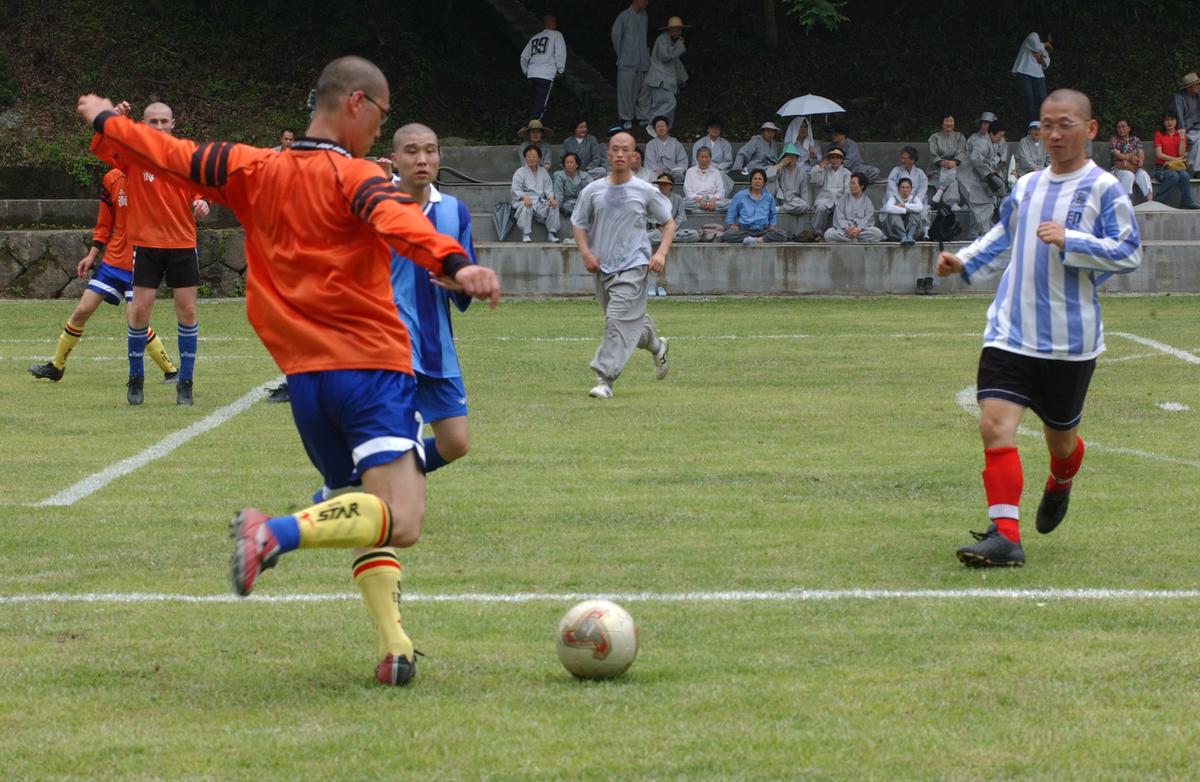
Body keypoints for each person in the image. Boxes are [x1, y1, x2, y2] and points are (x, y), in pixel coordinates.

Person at [77, 57, 500, 685]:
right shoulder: (355, 175)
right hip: (371, 368)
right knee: (403, 518)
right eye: (381, 117)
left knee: (359, 507)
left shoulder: (252, 167)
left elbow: (170, 153)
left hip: (306, 383)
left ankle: (395, 648)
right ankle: (271, 532)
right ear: (356, 103)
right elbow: (399, 218)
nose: (378, 134)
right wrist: (455, 261)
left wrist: (108, 120)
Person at [936, 89, 1140, 568]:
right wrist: (961, 262)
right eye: (1047, 124)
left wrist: (1073, 239)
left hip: (1070, 341)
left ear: (1089, 130)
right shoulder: (1026, 186)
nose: (1053, 133)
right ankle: (1004, 534)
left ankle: (1062, 477)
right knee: (995, 425)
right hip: (1010, 329)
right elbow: (1003, 237)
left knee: (1060, 441)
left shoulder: (1106, 188)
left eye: (1065, 123)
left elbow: (1129, 252)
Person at [90, 101, 209, 406]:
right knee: (139, 312)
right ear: (143, 125)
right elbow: (100, 148)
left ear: (173, 123)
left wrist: (202, 204)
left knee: (187, 311)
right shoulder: (134, 154)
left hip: (182, 245)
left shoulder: (187, 156)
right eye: (152, 121)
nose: (158, 127)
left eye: (163, 121)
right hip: (145, 247)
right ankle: (136, 378)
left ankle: (185, 383)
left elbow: (201, 192)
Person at [385, 123, 479, 476]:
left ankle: (358, 479)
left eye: (430, 150)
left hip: (437, 347)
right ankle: (380, 501)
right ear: (394, 159)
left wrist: (463, 284)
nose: (422, 159)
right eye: (411, 151)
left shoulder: (455, 212)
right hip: (388, 347)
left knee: (455, 443)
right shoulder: (375, 207)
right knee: (399, 440)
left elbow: (466, 277)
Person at [28, 167, 179, 384]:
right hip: (113, 261)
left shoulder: (151, 175)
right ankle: (56, 366)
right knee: (81, 310)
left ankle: (171, 371)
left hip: (141, 261)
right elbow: (104, 223)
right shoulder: (111, 178)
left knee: (134, 319)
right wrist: (91, 255)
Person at [571, 131, 673, 399]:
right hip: (603, 268)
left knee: (616, 320)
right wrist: (585, 253)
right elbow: (578, 224)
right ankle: (656, 345)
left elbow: (668, 223)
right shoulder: (592, 190)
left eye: (625, 149)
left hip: (634, 265)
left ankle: (605, 379)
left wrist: (660, 253)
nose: (619, 154)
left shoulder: (645, 190)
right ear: (608, 154)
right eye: (614, 149)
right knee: (626, 324)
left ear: (633, 156)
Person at [647, 173, 696, 296]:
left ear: (671, 186)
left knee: (693, 234)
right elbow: (648, 216)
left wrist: (670, 229)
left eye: (665, 184)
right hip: (655, 231)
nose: (662, 187)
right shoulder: (652, 198)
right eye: (660, 184)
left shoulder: (677, 198)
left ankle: (667, 238)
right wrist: (659, 226)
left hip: (673, 231)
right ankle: (652, 284)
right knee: (653, 236)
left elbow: (681, 216)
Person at [611, 0, 651, 129]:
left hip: (643, 60)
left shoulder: (645, 16)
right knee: (626, 91)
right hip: (627, 61)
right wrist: (622, 54)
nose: (646, 2)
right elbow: (615, 35)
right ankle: (625, 118)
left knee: (644, 89)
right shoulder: (624, 16)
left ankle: (642, 116)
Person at [643, 16, 688, 130]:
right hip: (659, 80)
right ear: (670, 29)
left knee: (664, 104)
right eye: (677, 29)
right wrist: (679, 45)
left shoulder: (670, 41)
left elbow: (676, 65)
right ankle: (653, 124)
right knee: (669, 103)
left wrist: (681, 79)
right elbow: (665, 56)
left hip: (665, 81)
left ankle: (663, 130)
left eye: (680, 29)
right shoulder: (662, 39)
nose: (679, 32)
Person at [520, 15, 567, 121]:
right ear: (553, 23)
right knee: (541, 105)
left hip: (532, 74)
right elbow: (560, 53)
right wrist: (560, 70)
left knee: (534, 102)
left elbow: (523, 56)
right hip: (545, 74)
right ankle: (534, 127)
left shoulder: (535, 37)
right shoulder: (557, 35)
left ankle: (535, 125)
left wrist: (526, 71)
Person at [512, 144, 561, 242]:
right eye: (529, 156)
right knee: (526, 206)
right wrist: (524, 197)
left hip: (540, 202)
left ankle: (551, 234)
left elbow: (548, 189)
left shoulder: (543, 171)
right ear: (525, 158)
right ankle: (525, 234)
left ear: (538, 158)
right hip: (524, 200)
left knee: (554, 206)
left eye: (534, 156)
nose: (531, 159)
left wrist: (551, 198)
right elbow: (516, 189)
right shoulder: (520, 172)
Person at [723, 169, 787, 243]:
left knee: (782, 235)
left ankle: (756, 240)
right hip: (744, 230)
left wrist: (772, 225)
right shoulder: (740, 195)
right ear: (751, 181)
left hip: (763, 230)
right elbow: (731, 213)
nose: (757, 181)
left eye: (760, 179)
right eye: (755, 178)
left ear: (764, 182)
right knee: (728, 235)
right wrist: (732, 225)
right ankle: (750, 239)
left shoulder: (768, 197)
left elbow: (772, 215)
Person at [1153, 111, 1199, 209]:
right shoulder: (1159, 134)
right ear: (1163, 122)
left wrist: (1182, 138)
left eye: (1172, 120)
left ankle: (1187, 202)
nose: (1169, 123)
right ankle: (1157, 201)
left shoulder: (1180, 135)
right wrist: (1176, 159)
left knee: (1185, 175)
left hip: (1177, 167)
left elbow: (1182, 154)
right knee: (1173, 176)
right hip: (1161, 168)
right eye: (1167, 120)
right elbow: (1159, 155)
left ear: (1176, 121)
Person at [823, 172, 883, 243]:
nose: (851, 186)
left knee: (877, 233)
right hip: (845, 231)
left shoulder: (867, 201)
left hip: (860, 231)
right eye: (850, 183)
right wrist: (847, 229)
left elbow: (867, 218)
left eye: (853, 183)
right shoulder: (843, 199)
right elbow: (839, 217)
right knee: (828, 234)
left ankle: (849, 239)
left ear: (861, 186)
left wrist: (858, 229)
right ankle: (853, 239)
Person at [1012, 32, 1052, 127]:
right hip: (1024, 71)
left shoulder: (1044, 50)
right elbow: (1036, 46)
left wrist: (1040, 58)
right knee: (1029, 98)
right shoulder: (1033, 36)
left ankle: (1044, 124)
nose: (1050, 41)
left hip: (1038, 75)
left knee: (1042, 98)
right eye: (1049, 39)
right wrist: (1045, 45)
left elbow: (1046, 63)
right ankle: (1030, 126)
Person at [928, 113, 967, 207]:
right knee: (952, 179)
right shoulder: (934, 137)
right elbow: (932, 153)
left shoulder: (959, 137)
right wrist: (941, 162)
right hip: (938, 168)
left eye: (951, 121)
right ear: (942, 123)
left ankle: (941, 192)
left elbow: (962, 152)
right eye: (946, 121)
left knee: (954, 176)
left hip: (956, 167)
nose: (949, 123)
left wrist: (954, 162)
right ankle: (953, 203)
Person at [1109, 118, 1153, 202]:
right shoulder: (1114, 140)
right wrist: (1129, 157)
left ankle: (1150, 201)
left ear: (1129, 128)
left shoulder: (1136, 140)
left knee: (1143, 174)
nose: (1121, 129)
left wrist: (1140, 160)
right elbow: (1116, 154)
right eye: (1119, 127)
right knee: (1129, 175)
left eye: (1123, 127)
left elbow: (1140, 152)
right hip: (1119, 169)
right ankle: (1125, 202)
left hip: (1134, 167)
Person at [809, 147, 850, 233]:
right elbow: (817, 181)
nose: (835, 160)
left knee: (841, 210)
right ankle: (817, 233)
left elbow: (847, 190)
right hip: (824, 199)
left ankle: (839, 233)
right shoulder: (823, 169)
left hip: (840, 200)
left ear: (841, 160)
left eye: (837, 157)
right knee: (820, 208)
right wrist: (821, 167)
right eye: (832, 157)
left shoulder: (846, 172)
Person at [880, 176, 927, 245]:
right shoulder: (894, 198)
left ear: (911, 189)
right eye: (902, 187)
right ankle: (903, 236)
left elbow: (920, 207)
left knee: (916, 214)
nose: (905, 190)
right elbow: (889, 208)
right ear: (898, 189)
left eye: (907, 187)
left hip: (913, 235)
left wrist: (904, 205)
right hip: (895, 234)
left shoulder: (914, 198)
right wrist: (906, 211)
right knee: (893, 214)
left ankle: (910, 236)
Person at [682, 146, 729, 212]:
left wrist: (714, 200)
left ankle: (704, 207)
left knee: (732, 202)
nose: (704, 160)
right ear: (697, 158)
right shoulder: (690, 171)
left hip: (713, 200)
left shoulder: (716, 172)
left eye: (706, 157)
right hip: (696, 201)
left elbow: (721, 191)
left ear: (710, 158)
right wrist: (699, 200)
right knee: (681, 203)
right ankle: (707, 207)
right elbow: (688, 191)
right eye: (702, 157)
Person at [1171, 72, 1200, 171]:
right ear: (1189, 87)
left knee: (1199, 142)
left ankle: (1193, 166)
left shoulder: (1198, 95)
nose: (1199, 86)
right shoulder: (1178, 97)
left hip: (1197, 129)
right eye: (1196, 85)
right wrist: (1182, 132)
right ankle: (1194, 167)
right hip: (1185, 130)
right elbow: (1179, 117)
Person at [644, 115, 688, 181]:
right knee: (653, 176)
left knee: (680, 176)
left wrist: (677, 170)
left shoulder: (676, 143)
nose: (661, 128)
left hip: (674, 173)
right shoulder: (650, 144)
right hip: (657, 173)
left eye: (663, 126)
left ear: (667, 127)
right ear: (655, 129)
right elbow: (649, 162)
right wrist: (657, 170)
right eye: (658, 127)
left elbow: (683, 160)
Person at [771, 143, 810, 215]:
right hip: (780, 198)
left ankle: (781, 209)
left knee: (804, 205)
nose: (791, 158)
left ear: (797, 158)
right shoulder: (780, 169)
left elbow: (804, 193)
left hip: (794, 201)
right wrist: (780, 165)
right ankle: (784, 207)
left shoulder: (802, 173)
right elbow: (767, 177)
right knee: (771, 182)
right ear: (784, 157)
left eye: (793, 156)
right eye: (788, 155)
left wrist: (804, 202)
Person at [553, 152, 591, 219]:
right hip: (567, 203)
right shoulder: (559, 175)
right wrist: (557, 206)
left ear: (576, 164)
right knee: (566, 207)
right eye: (567, 163)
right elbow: (559, 195)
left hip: (581, 202)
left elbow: (592, 190)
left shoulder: (584, 175)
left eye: (571, 162)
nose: (569, 164)